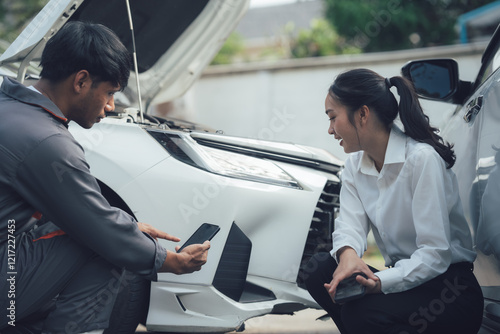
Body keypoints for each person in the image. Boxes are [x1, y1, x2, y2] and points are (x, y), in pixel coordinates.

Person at [0, 21, 210, 334]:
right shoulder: (47, 142)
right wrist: (170, 262)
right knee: (104, 243)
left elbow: (77, 213)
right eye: (109, 92)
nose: (110, 107)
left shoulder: (9, 105)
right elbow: (101, 229)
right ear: (81, 81)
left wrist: (125, 228)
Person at [303, 68, 483, 334]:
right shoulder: (354, 166)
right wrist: (348, 255)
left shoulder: (421, 159)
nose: (330, 130)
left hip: (450, 291)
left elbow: (435, 254)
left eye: (332, 118)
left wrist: (378, 282)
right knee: (318, 270)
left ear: (362, 114)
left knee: (360, 313)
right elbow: (350, 224)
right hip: (406, 283)